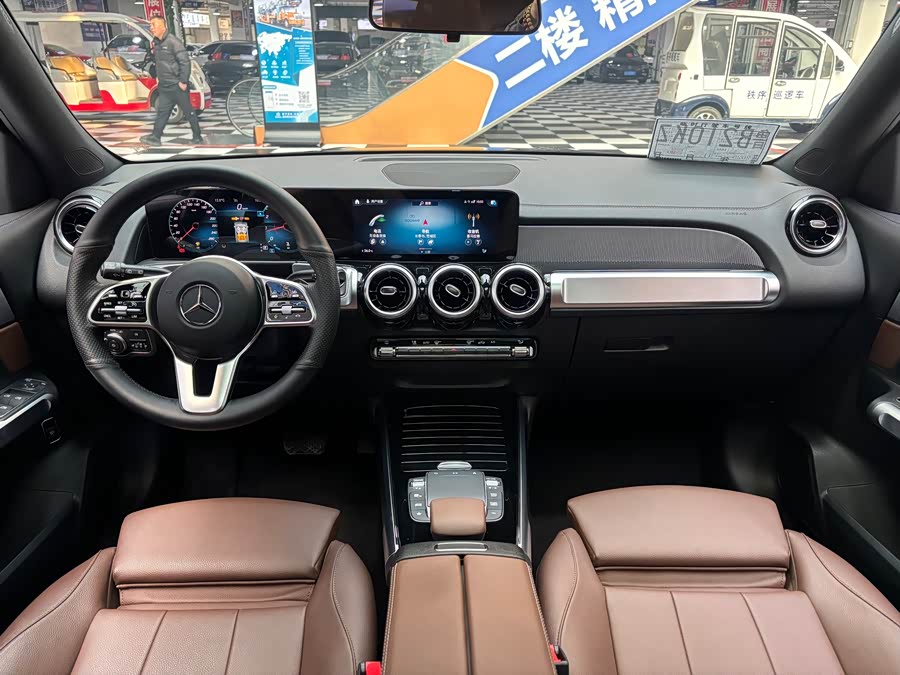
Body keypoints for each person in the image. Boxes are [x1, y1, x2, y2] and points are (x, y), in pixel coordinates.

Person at [140, 16, 202, 146]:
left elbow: (185, 62)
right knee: (162, 112)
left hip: (177, 85)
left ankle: (197, 136)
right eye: (151, 25)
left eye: (154, 25)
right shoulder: (157, 42)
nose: (151, 28)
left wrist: (183, 81)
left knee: (188, 112)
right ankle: (155, 137)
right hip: (165, 85)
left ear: (163, 26)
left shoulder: (173, 42)